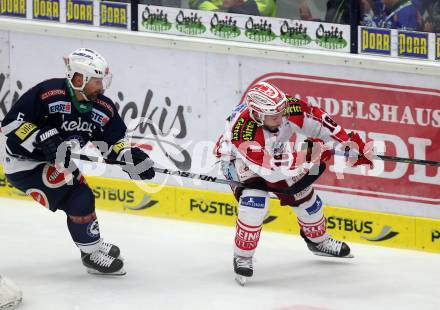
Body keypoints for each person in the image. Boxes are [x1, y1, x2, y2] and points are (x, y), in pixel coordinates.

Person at [1, 48, 155, 276]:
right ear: (78, 78)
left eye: (103, 80)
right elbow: (11, 124)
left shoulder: (102, 107)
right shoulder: (48, 93)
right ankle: (90, 254)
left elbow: (113, 141)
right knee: (78, 196)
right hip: (24, 163)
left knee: (81, 194)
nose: (101, 87)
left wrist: (128, 157)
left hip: (56, 163)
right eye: (96, 81)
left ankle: (90, 241)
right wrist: (40, 138)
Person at [214, 81, 373, 285]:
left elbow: (319, 122)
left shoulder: (284, 108)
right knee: (254, 202)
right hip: (237, 160)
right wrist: (312, 154)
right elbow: (272, 172)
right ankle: (243, 256)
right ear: (258, 115)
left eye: (282, 113)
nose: (281, 119)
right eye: (274, 117)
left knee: (304, 195)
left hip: (274, 154)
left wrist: (346, 143)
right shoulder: (243, 132)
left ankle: (319, 241)